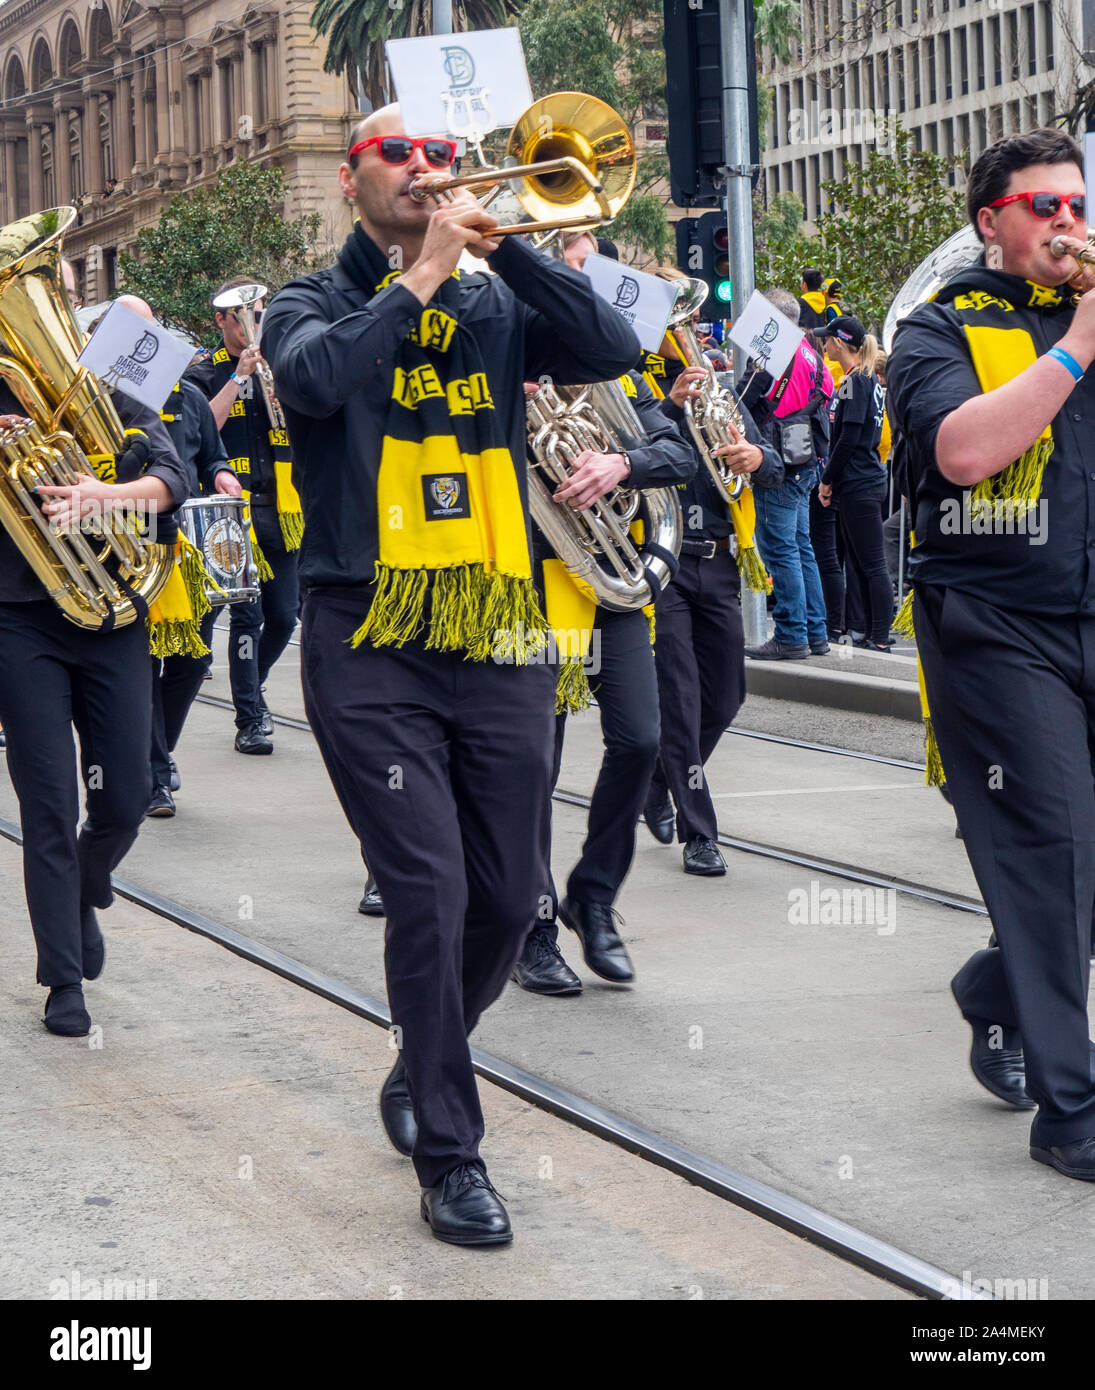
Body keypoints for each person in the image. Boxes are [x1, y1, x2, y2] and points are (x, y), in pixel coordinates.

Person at [260, 105, 639, 1243]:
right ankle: (451, 1148)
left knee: (509, 892)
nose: (428, 170)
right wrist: (419, 275)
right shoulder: (307, 299)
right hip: (368, 632)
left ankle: (426, 1059)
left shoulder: (501, 297)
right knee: (426, 887)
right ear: (349, 180)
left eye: (441, 156)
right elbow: (319, 384)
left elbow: (616, 352)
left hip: (499, 625)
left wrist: (506, 241)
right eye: (401, 156)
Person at [887, 127, 1095, 1181]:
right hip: (993, 623)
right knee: (1055, 853)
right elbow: (961, 453)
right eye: (1043, 206)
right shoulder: (937, 330)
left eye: (1076, 202)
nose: (1067, 221)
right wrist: (1078, 346)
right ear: (992, 221)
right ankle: (1073, 1108)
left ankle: (997, 987)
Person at [0, 269, 190, 1037]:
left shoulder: (108, 377)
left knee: (123, 799)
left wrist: (102, 496)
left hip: (113, 611)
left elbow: (170, 476)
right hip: (17, 617)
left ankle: (85, 886)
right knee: (50, 806)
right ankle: (62, 979)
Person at [512, 228, 696, 996]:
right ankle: (531, 924)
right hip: (524, 585)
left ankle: (594, 897)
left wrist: (621, 461)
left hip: (608, 581)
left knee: (641, 739)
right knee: (530, 767)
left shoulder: (617, 378)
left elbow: (679, 457)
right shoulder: (501, 357)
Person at [642, 331, 785, 874]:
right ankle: (698, 831)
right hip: (665, 562)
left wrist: (755, 456)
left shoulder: (723, 396)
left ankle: (660, 776)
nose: (690, 338)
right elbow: (633, 454)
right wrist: (670, 407)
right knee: (679, 701)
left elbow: (773, 464)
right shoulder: (643, 392)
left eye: (693, 327)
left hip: (720, 560)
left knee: (726, 697)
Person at [107, 296, 245, 817]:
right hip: (119, 551)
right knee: (139, 666)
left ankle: (150, 754)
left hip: (181, 550)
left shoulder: (187, 397)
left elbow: (212, 458)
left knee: (191, 661)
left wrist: (223, 475)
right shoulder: (95, 401)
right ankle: (155, 772)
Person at [186, 276, 301, 755]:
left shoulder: (281, 362)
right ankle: (251, 718)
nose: (255, 324)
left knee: (284, 616)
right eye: (245, 316)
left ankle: (254, 687)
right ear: (222, 321)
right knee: (247, 617)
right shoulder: (202, 373)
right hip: (227, 513)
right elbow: (199, 431)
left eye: (260, 312)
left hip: (281, 507)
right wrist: (238, 378)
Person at [741, 288, 833, 660]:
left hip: (777, 459)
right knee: (801, 548)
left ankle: (791, 633)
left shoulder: (775, 344)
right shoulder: (812, 352)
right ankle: (815, 632)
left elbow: (744, 397)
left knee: (781, 551)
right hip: (806, 458)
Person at [818, 316, 891, 651]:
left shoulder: (856, 380)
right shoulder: (860, 379)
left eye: (828, 339)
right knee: (860, 562)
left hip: (859, 481)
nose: (824, 344)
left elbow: (847, 437)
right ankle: (863, 631)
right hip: (859, 480)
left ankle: (878, 636)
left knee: (873, 563)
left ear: (840, 343)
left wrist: (827, 479)